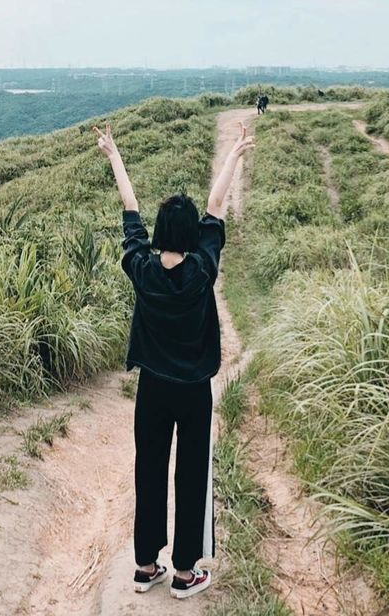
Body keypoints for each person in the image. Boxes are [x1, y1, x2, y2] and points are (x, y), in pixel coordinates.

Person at [94, 120, 254, 599]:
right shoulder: (202, 269)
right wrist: (236, 153)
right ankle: (186, 573)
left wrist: (114, 154)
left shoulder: (142, 268)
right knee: (191, 474)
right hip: (194, 390)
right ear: (191, 237)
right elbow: (216, 205)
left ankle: (145, 567)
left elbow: (129, 207)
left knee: (149, 469)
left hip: (153, 389)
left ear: (160, 234)